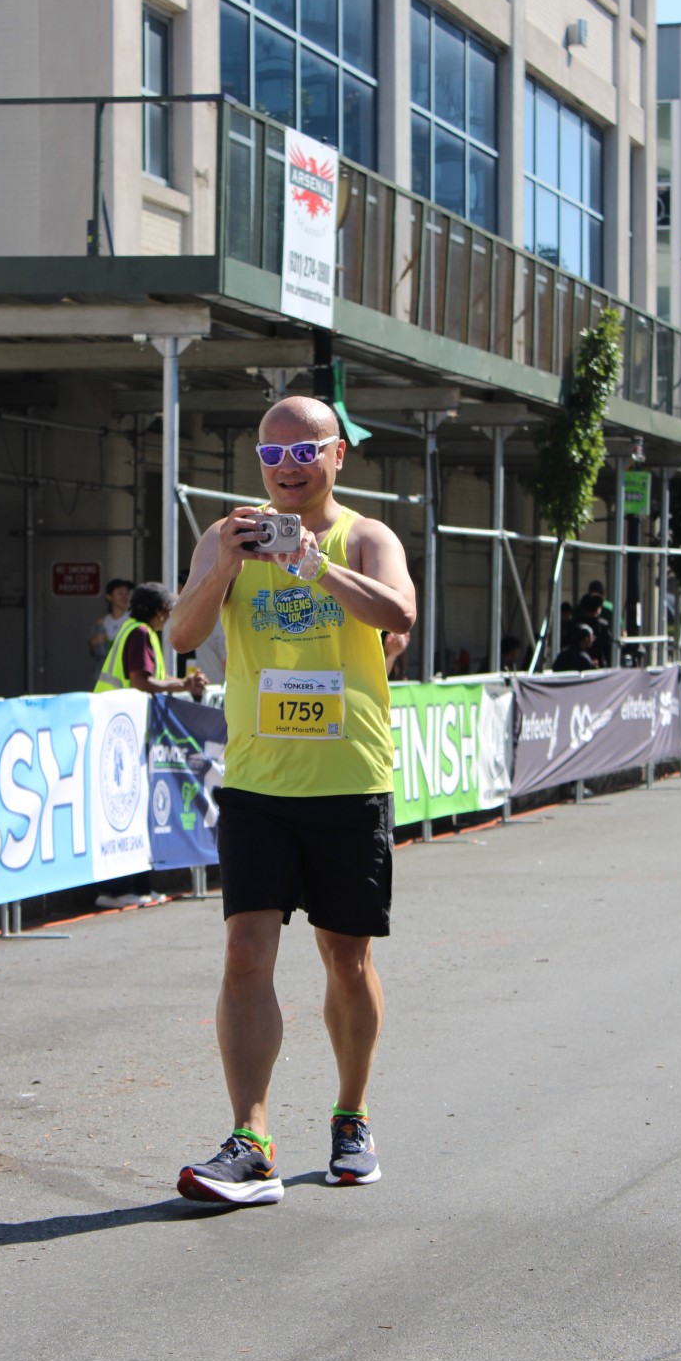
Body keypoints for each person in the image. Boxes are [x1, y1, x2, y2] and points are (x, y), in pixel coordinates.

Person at [169, 395, 416, 1205]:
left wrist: (315, 567)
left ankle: (352, 1115)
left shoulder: (366, 537)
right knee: (245, 953)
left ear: (337, 455)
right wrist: (225, 566)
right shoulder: (227, 535)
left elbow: (400, 613)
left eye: (305, 452)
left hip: (348, 781)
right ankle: (252, 1141)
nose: (288, 469)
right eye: (272, 456)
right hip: (257, 783)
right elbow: (181, 634)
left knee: (347, 959)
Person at [94, 581, 207, 908]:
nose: (169, 618)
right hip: (122, 732)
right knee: (127, 812)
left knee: (130, 811)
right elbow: (140, 681)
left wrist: (180, 683)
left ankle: (134, 886)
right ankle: (118, 889)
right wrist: (182, 685)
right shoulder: (141, 633)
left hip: (119, 729)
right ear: (160, 612)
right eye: (169, 611)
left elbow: (145, 677)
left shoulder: (135, 630)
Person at [88, 577, 133, 680]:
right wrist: (93, 644)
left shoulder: (133, 620)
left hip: (127, 674)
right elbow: (94, 653)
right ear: (109, 597)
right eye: (120, 593)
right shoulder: (101, 622)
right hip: (106, 676)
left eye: (127, 593)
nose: (124, 597)